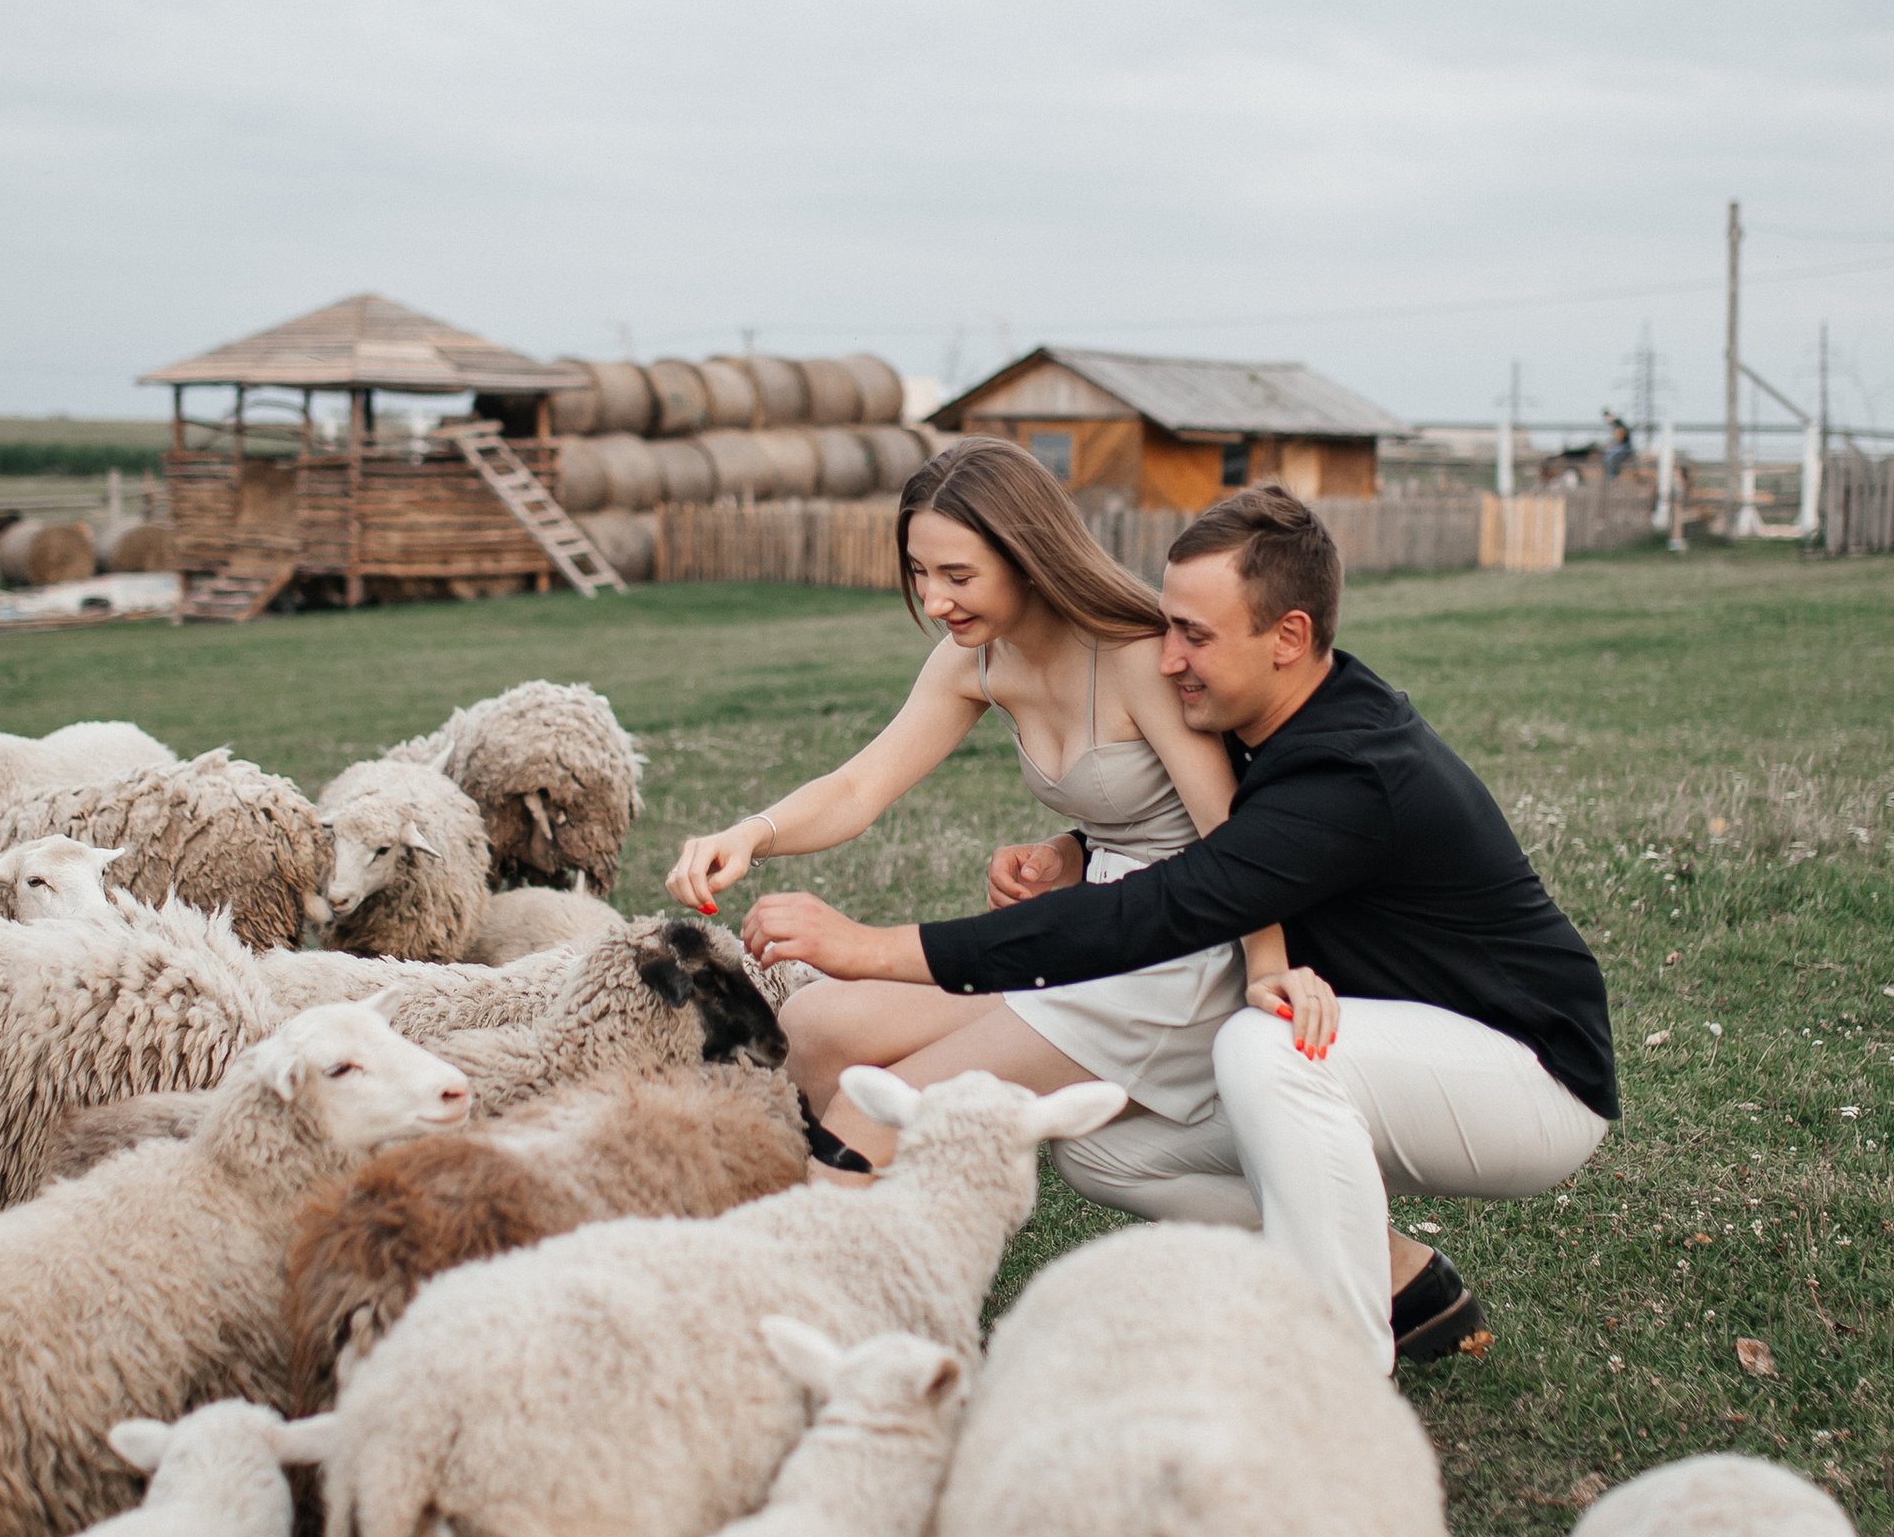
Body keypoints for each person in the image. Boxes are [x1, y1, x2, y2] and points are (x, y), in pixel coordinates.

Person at [739, 482, 1618, 1377]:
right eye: (1168, 625)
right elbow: (1177, 838)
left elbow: (1164, 906)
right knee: (1105, 1154)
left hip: (1528, 1066)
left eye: (1194, 636)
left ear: (1289, 639)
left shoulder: (1346, 774)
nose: (1164, 659)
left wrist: (879, 949)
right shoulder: (1290, 717)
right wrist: (1079, 846)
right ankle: (1401, 1284)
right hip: (1375, 1019)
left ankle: (1334, 1377)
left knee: (1262, 1052)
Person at [665, 438, 1335, 1167]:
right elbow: (859, 787)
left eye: (958, 574)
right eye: (920, 572)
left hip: (1173, 960)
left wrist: (1269, 968)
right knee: (814, 1026)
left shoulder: (1139, 656)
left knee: (873, 1107)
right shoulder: (974, 657)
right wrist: (751, 834)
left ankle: (834, 1252)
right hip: (1076, 934)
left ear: (1029, 556)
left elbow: (1232, 840)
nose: (933, 599)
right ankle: (897, 1233)